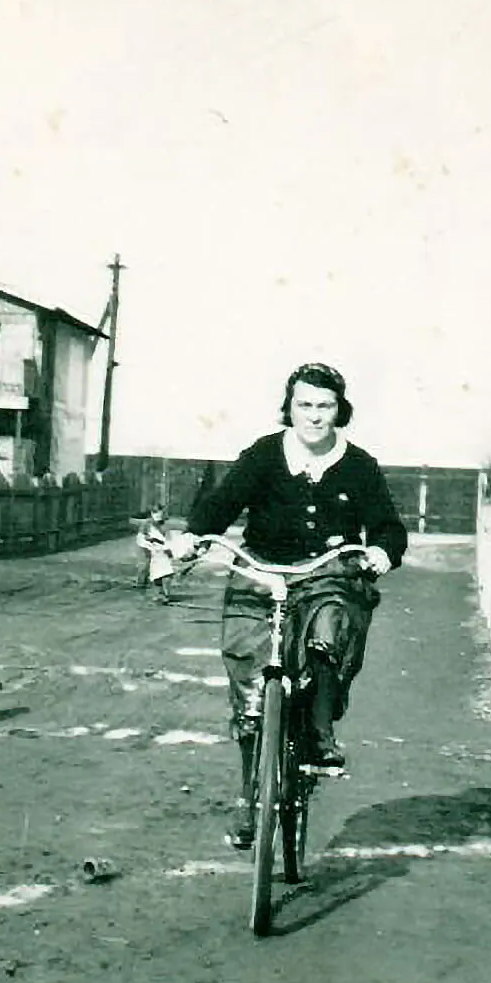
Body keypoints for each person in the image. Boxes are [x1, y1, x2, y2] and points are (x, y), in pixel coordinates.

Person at [172, 362, 407, 848]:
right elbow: (223, 501)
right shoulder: (265, 454)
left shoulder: (358, 465)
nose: (315, 416)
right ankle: (250, 802)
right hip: (259, 569)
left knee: (330, 627)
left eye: (325, 406)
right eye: (305, 405)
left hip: (326, 572)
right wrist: (194, 536)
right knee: (251, 695)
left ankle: (320, 733)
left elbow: (386, 523)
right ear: (289, 407)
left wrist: (383, 550)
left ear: (339, 410)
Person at [135, 504, 175, 602]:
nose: (158, 517)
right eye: (156, 515)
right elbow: (140, 538)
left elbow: (168, 539)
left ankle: (164, 594)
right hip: (149, 549)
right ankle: (145, 587)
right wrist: (148, 546)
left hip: (161, 550)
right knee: (149, 570)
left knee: (164, 573)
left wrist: (168, 550)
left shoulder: (164, 525)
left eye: (160, 515)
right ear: (152, 514)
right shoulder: (147, 524)